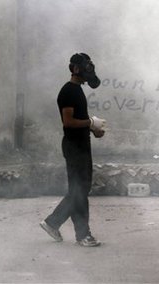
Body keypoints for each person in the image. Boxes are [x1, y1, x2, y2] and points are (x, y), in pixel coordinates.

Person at [40, 53, 106, 247]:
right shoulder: (68, 91)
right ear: (76, 69)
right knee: (79, 190)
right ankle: (66, 228)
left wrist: (93, 129)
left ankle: (77, 232)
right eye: (86, 67)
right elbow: (68, 122)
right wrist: (90, 122)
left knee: (80, 190)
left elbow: (79, 121)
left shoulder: (77, 90)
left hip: (81, 146)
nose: (89, 71)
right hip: (74, 147)